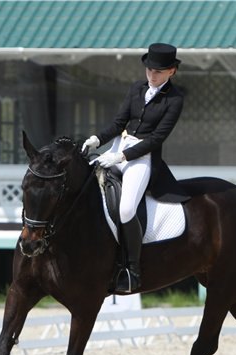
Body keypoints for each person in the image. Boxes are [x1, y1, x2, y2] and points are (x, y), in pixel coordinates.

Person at [82, 43, 189, 294]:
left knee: (127, 208)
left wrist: (121, 157)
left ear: (172, 72)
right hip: (120, 145)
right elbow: (119, 122)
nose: (152, 75)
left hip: (143, 156)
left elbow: (156, 139)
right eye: (150, 70)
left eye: (159, 72)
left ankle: (132, 270)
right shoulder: (137, 88)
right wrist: (97, 139)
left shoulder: (175, 100)